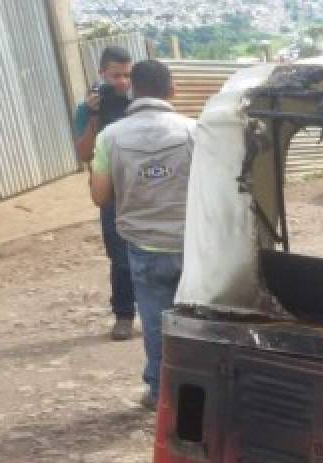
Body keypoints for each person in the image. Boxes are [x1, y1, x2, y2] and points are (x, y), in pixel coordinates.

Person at [88, 60, 196, 411]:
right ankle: (199, 391)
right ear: (172, 90)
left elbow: (100, 196)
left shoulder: (110, 137)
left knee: (154, 321)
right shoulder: (195, 132)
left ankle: (159, 392)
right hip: (192, 247)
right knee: (199, 321)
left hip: (145, 248)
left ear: (133, 89)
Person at [75, 46, 136, 341]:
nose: (122, 82)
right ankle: (124, 315)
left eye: (127, 75)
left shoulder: (139, 102)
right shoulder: (86, 108)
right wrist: (93, 115)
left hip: (141, 188)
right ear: (101, 74)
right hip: (109, 191)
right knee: (120, 257)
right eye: (116, 76)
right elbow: (85, 153)